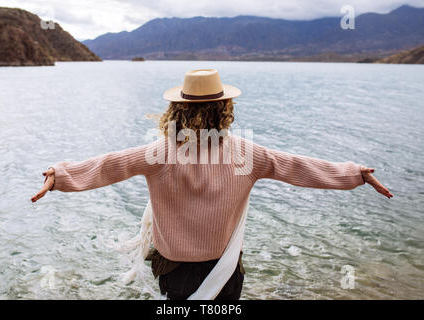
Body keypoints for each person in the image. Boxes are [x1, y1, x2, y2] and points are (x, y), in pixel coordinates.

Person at [31, 69, 393, 300]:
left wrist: (60, 176)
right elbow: (299, 167)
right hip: (224, 266)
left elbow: (107, 166)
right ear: (225, 110)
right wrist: (353, 174)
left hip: (173, 267)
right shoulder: (247, 155)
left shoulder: (157, 154)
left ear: (178, 110)